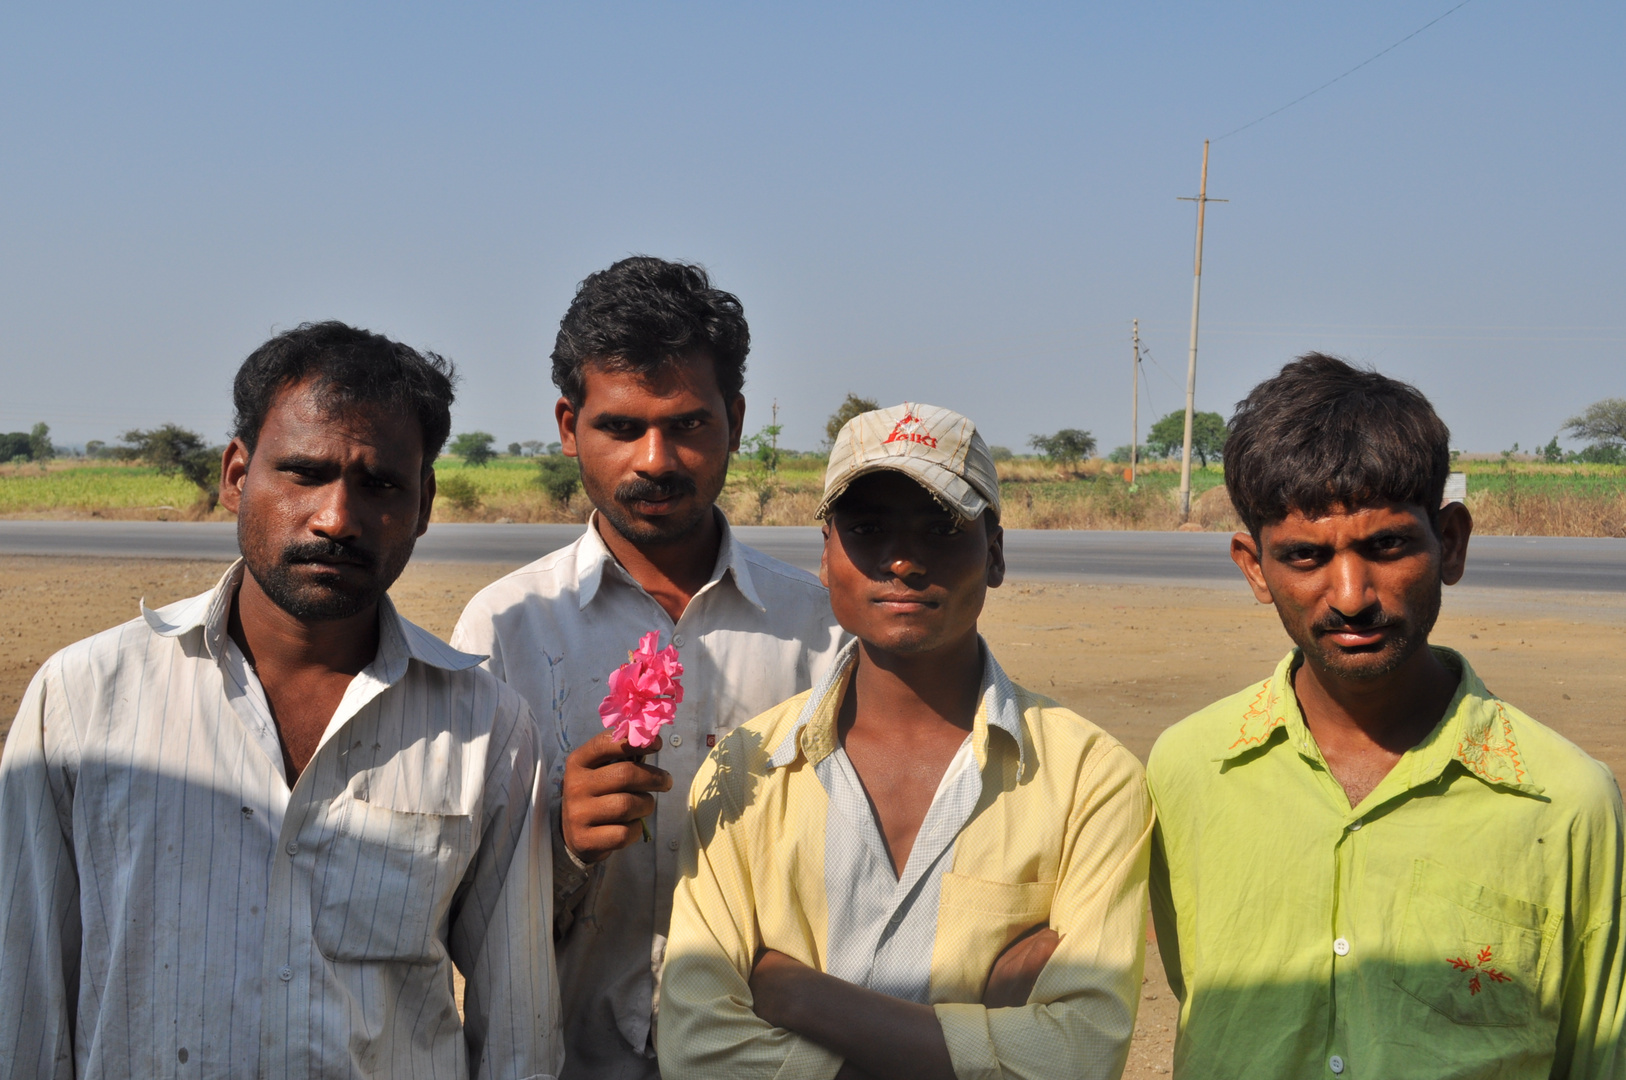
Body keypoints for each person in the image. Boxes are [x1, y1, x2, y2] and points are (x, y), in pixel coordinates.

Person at [0, 322, 561, 1079]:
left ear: (424, 503)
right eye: (302, 472)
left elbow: (518, 1041)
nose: (336, 518)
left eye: (380, 485)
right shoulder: (80, 701)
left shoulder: (485, 728)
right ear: (237, 474)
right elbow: (27, 1006)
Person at [1147, 354, 1626, 1079]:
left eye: (1387, 546)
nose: (1348, 595)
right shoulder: (1188, 771)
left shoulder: (1565, 802)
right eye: (1305, 556)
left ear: (1451, 544)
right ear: (1254, 568)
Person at [657, 402, 1153, 1080]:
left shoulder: (1089, 777)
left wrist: (800, 997)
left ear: (997, 553)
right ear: (827, 556)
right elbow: (697, 1048)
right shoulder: (747, 770)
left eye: (942, 527)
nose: (902, 560)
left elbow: (1080, 1053)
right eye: (867, 528)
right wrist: (977, 1023)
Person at [451, 256, 844, 1078]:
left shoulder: (820, 629)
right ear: (569, 425)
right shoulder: (507, 628)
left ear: (733, 420)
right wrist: (558, 846)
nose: (656, 459)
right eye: (622, 427)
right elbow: (454, 905)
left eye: (689, 424)